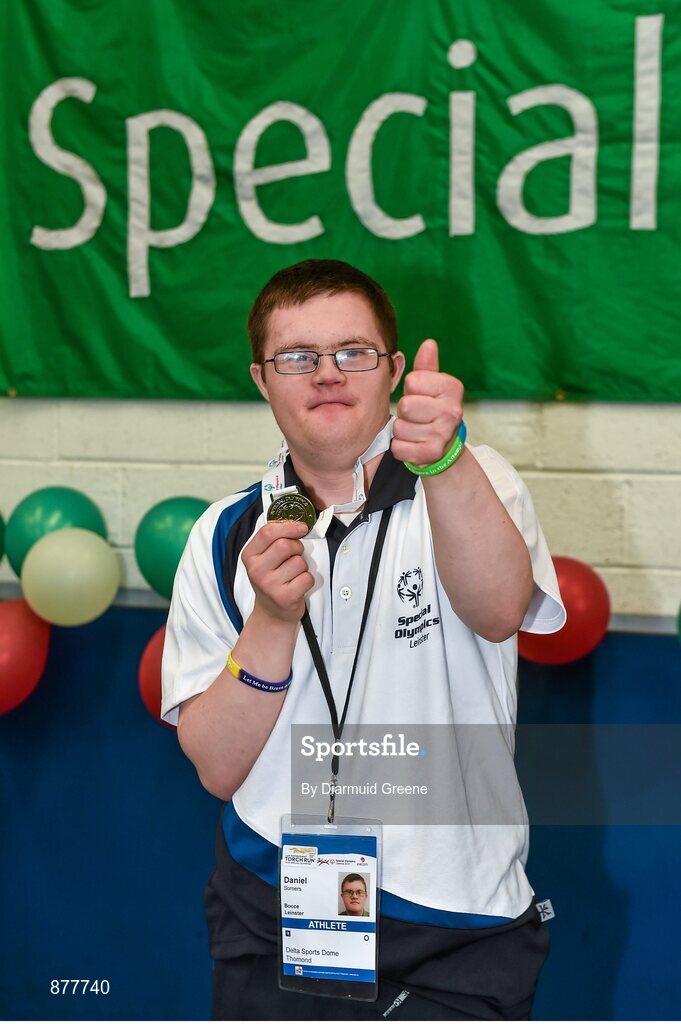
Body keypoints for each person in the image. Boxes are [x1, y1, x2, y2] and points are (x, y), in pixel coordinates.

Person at [161, 258, 566, 1020]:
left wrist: (442, 460)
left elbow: (498, 611)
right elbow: (217, 767)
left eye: (352, 353)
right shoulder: (224, 533)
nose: (326, 375)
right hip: (269, 906)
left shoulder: (473, 481)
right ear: (261, 379)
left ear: (392, 369)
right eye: (297, 358)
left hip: (455, 922)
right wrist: (271, 621)